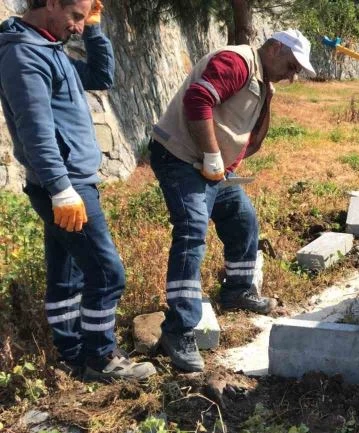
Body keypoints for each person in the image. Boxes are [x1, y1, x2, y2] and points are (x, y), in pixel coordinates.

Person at [0, 0, 156, 381]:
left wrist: (94, 29)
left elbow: (102, 76)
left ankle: (71, 355)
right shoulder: (24, 55)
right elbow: (35, 130)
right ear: (50, 4)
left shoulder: (49, 48)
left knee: (66, 274)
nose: (78, 26)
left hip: (68, 183)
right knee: (107, 273)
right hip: (66, 186)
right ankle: (102, 358)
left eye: (84, 18)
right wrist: (61, 189)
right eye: (75, 17)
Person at [148, 29, 315, 373]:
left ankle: (237, 289)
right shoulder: (236, 62)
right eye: (292, 65)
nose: (292, 75)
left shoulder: (262, 78)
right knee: (192, 232)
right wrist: (212, 155)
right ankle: (178, 330)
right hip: (180, 158)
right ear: (274, 48)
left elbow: (244, 131)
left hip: (212, 168)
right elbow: (197, 100)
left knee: (242, 219)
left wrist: (224, 164)